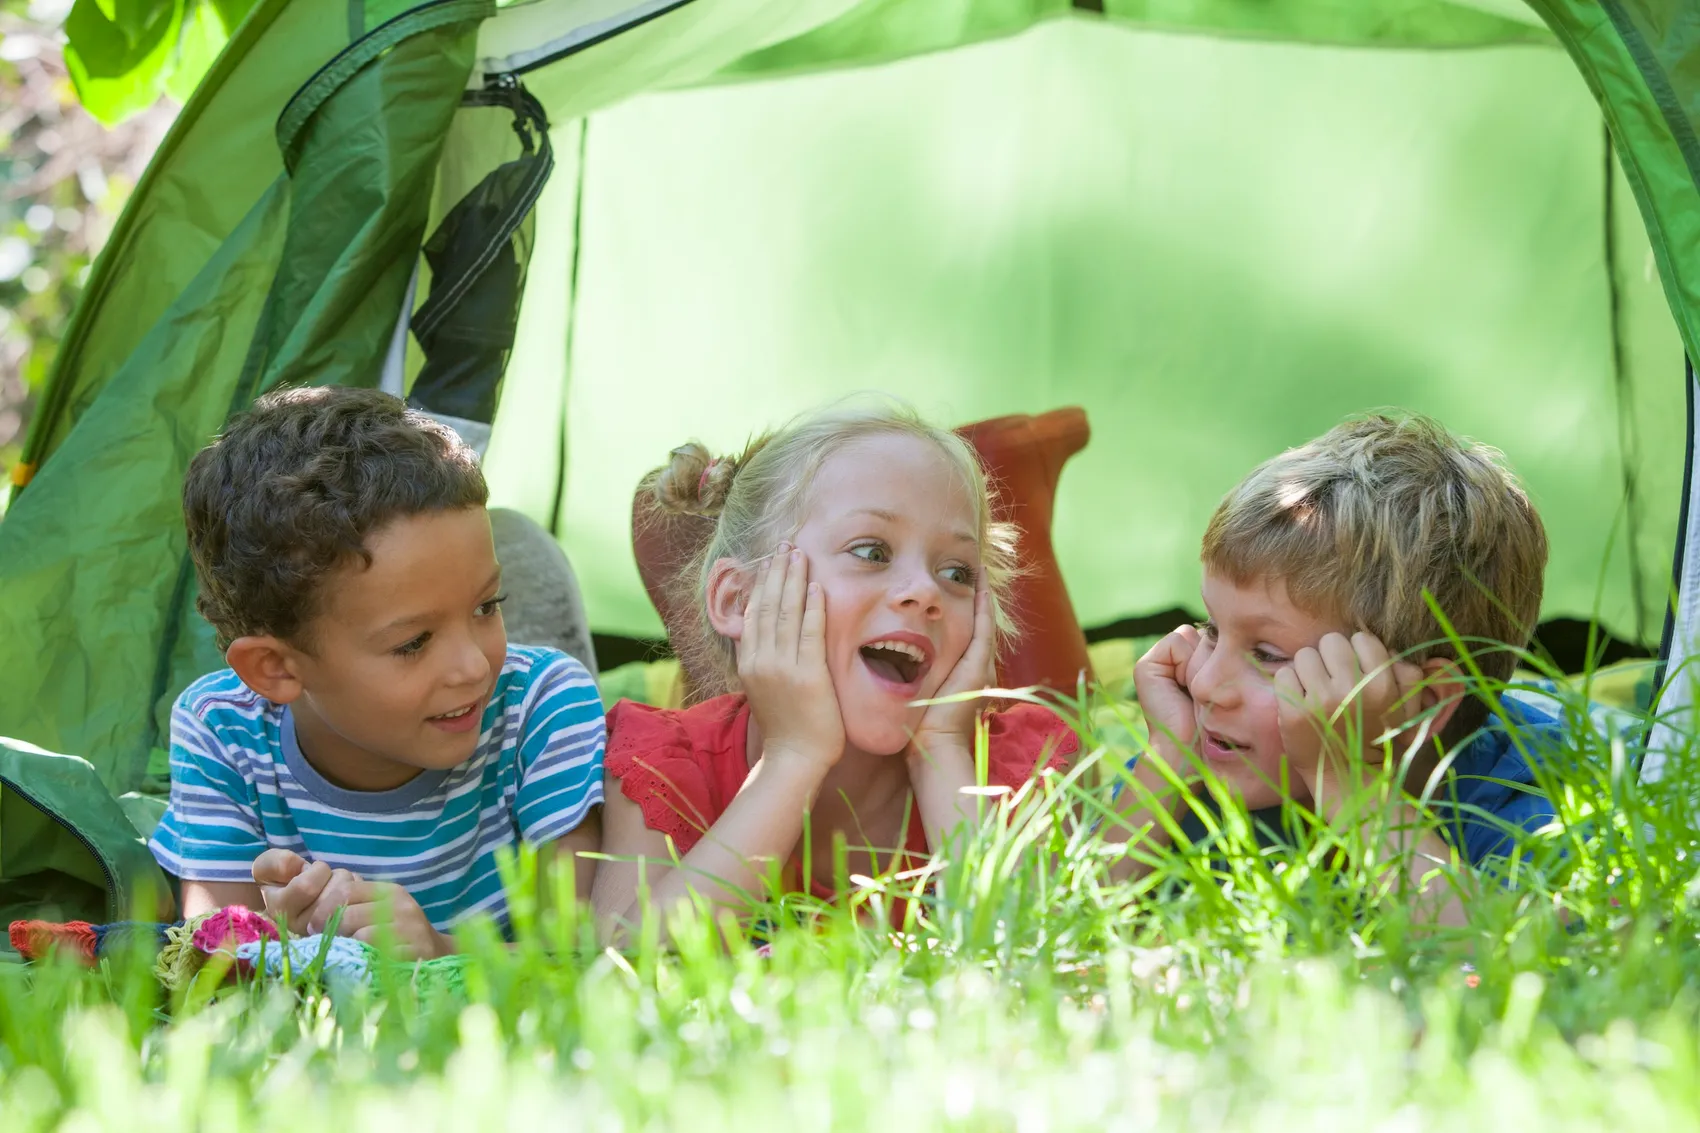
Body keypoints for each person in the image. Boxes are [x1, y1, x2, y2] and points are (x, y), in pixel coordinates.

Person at [591, 402, 1077, 942]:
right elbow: (623, 969)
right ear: (738, 600)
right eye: (872, 551)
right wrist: (793, 758)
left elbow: (1034, 963)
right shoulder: (662, 767)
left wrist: (941, 752)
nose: (925, 591)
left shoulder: (1009, 772)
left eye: (957, 571)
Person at [148, 387, 605, 958]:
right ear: (275, 668)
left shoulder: (543, 706)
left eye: (487, 605)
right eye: (414, 643)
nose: (472, 667)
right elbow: (212, 959)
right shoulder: (220, 730)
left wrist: (440, 951)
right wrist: (276, 945)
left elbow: (584, 955)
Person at [1114, 413, 1560, 924]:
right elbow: (1074, 923)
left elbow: (1508, 959)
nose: (1205, 681)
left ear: (1424, 704)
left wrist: (1347, 779)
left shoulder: (1528, 804)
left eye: (1267, 654)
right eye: (1212, 629)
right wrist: (1166, 756)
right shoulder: (1202, 762)